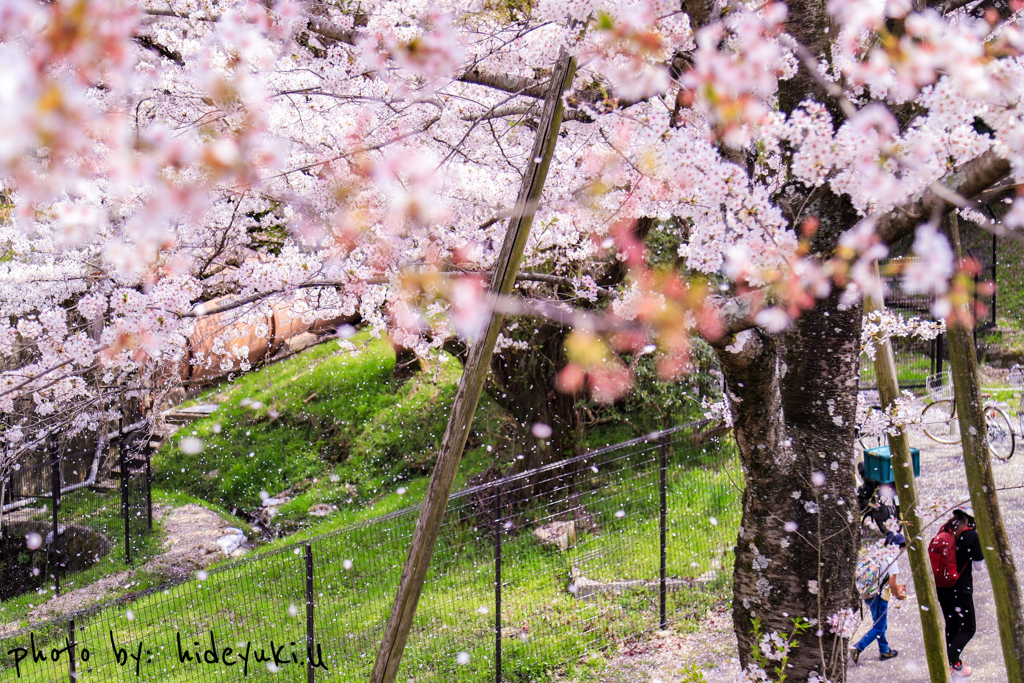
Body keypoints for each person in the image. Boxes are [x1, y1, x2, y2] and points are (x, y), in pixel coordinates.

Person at [936, 505, 985, 678]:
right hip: (960, 587)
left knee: (952, 624)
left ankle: (952, 663)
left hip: (943, 586)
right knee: (968, 627)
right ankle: (951, 660)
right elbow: (979, 566)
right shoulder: (971, 535)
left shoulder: (946, 532)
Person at [851, 532, 907, 664]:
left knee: (879, 624)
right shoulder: (891, 559)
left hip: (868, 593)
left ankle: (884, 650)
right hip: (879, 597)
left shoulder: (878, 553)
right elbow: (892, 584)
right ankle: (857, 647)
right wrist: (898, 595)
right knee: (880, 627)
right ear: (899, 546)